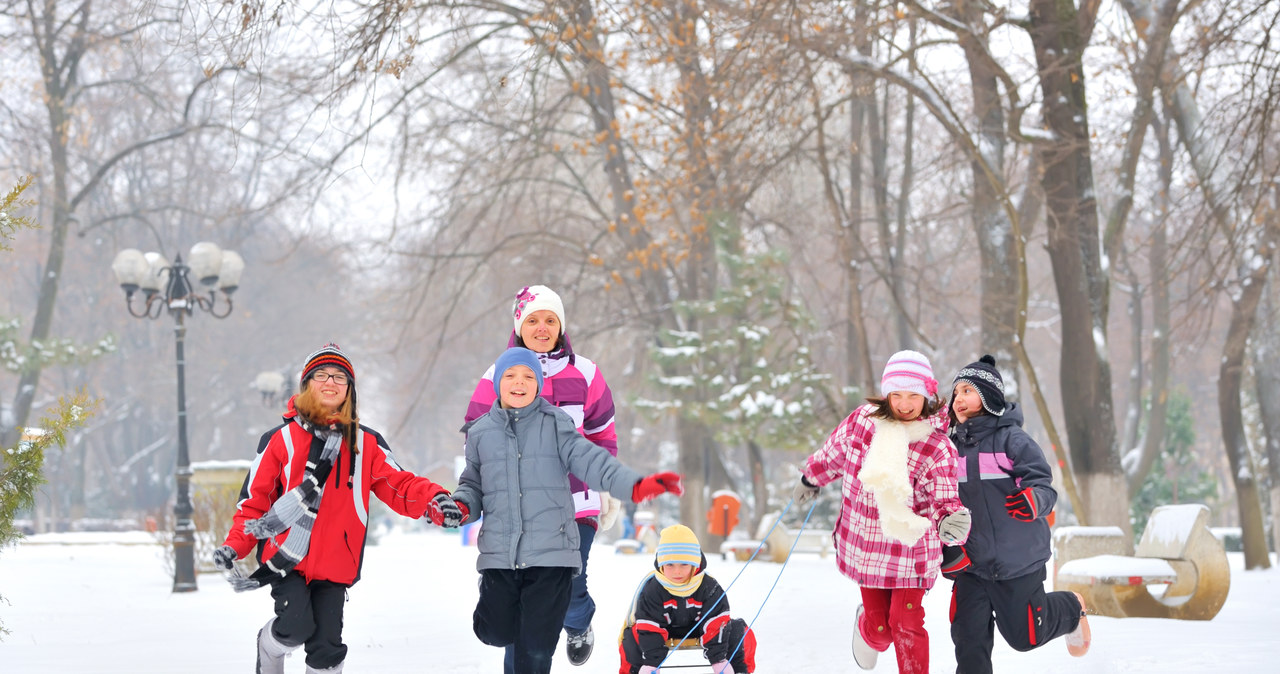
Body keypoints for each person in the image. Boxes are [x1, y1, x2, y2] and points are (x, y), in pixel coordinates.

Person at [212, 343, 465, 674]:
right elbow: (254, 503)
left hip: (336, 563)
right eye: (321, 375)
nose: (330, 382)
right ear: (306, 385)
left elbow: (399, 485)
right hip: (287, 558)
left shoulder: (366, 444)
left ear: (350, 391)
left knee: (327, 647)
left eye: (339, 377)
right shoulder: (280, 439)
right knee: (296, 626)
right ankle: (269, 645)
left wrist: (434, 499)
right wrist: (235, 545)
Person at [453, 347, 684, 674]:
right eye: (511, 375)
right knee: (495, 631)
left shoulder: (556, 424)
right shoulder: (479, 434)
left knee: (535, 652)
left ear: (539, 384)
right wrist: (461, 505)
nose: (520, 382)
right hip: (500, 554)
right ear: (497, 384)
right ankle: (500, 609)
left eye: (529, 376)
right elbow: (472, 484)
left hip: (552, 555)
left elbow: (592, 461)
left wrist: (635, 485)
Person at [463, 284, 622, 667]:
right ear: (519, 325)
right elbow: (477, 430)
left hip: (574, 503)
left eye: (550, 320)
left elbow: (603, 433)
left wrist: (604, 486)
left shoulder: (585, 373)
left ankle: (579, 622)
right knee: (522, 610)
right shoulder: (498, 373)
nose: (542, 327)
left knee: (569, 586)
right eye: (533, 320)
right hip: (517, 508)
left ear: (561, 326)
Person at [791, 350, 971, 674]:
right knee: (881, 632)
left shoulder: (935, 445)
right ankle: (866, 624)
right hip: (868, 547)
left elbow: (944, 497)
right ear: (886, 393)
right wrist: (811, 477)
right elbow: (834, 453)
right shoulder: (864, 422)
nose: (904, 403)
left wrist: (950, 519)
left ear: (927, 395)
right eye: (897, 394)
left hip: (912, 551)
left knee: (906, 624)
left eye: (913, 395)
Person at [944, 355, 1091, 673]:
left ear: (987, 396)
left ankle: (1070, 607)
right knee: (968, 643)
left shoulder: (1012, 440)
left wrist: (1032, 500)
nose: (958, 398)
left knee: (1025, 637)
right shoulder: (947, 449)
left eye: (967, 390)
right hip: (971, 566)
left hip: (1017, 561)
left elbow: (1044, 487)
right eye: (955, 392)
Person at [619, 524, 757, 674]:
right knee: (631, 635)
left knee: (740, 630)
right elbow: (649, 624)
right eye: (670, 564)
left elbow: (717, 621)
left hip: (702, 629)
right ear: (661, 564)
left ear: (695, 563)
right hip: (662, 631)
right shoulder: (653, 589)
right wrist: (652, 663)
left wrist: (719, 660)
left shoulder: (708, 586)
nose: (677, 571)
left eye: (684, 564)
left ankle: (739, 671)